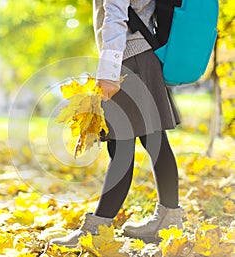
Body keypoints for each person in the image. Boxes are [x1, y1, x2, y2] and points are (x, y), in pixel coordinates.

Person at [50, 0, 182, 247]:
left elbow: (115, 16)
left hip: (128, 60)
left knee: (120, 148)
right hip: (143, 57)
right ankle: (169, 218)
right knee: (155, 142)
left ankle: (97, 231)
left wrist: (110, 72)